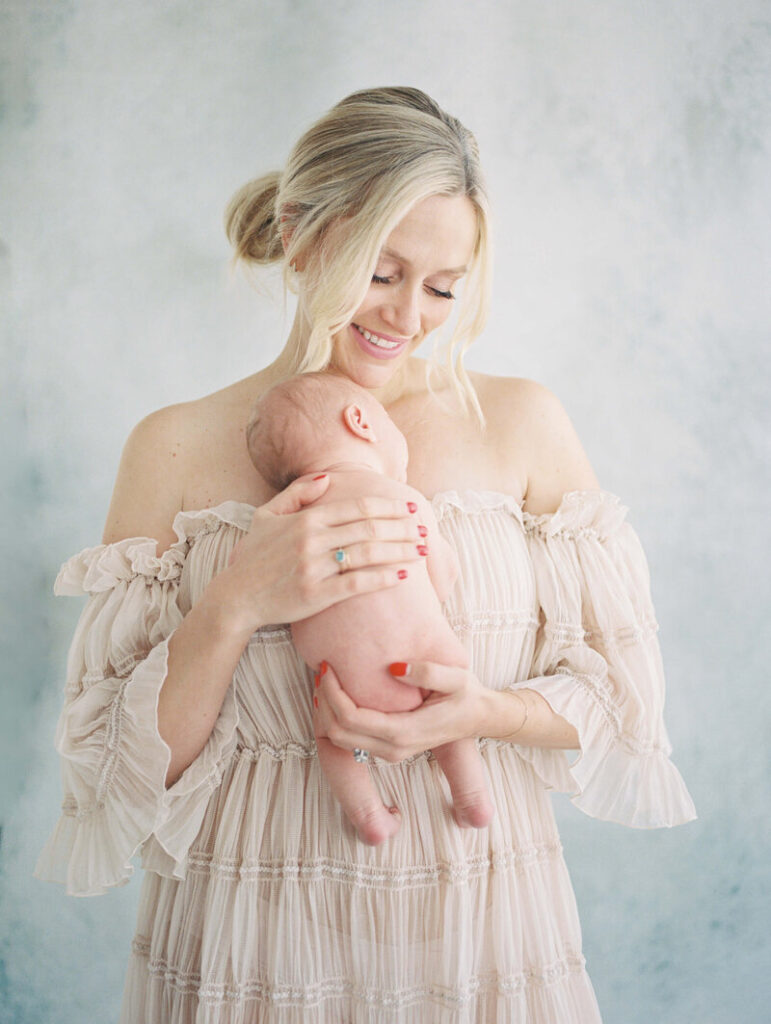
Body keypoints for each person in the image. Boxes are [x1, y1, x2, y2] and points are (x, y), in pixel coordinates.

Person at [35, 86, 696, 1023]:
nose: (408, 315)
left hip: (479, 928)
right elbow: (113, 773)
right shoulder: (172, 446)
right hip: (250, 938)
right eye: (382, 272)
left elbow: (626, 706)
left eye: (442, 286)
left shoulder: (520, 424)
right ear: (300, 236)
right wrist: (235, 602)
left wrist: (483, 710)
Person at [247, 370, 494, 845]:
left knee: (330, 735)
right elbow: (442, 577)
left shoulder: (288, 525)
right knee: (453, 717)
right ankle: (472, 798)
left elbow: (258, 585)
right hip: (428, 660)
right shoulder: (405, 498)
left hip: (347, 683)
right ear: (360, 421)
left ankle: (370, 817)